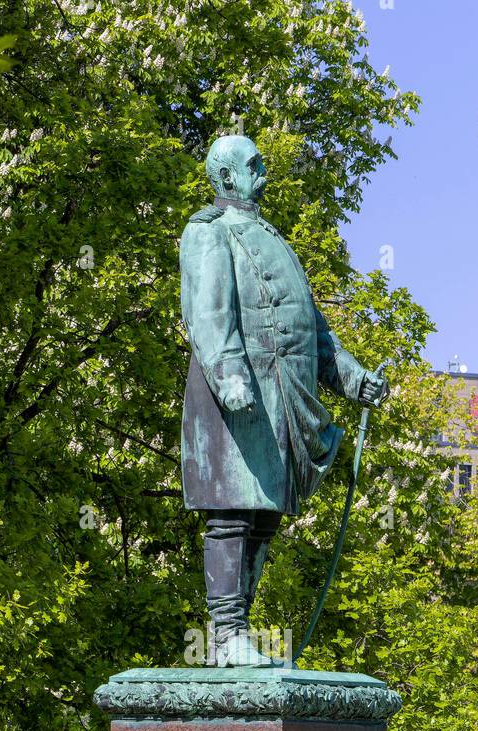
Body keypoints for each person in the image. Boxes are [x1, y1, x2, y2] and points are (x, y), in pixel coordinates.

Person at [179, 134, 388, 666]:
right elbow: (208, 312)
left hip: (284, 397)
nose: (264, 171)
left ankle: (238, 633)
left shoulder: (274, 238)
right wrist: (229, 375)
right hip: (239, 395)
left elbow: (312, 329)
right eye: (254, 165)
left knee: (264, 516)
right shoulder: (207, 232)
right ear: (227, 177)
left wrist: (353, 377)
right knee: (230, 511)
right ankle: (225, 635)